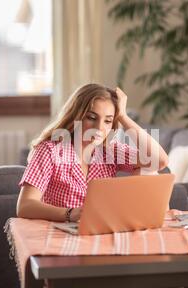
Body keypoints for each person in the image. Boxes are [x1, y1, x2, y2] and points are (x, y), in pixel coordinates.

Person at [17, 83, 169, 221]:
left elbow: (159, 161)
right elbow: (25, 206)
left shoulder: (109, 150)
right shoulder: (50, 150)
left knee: (148, 171)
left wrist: (123, 116)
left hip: (103, 231)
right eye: (91, 117)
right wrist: (70, 213)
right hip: (63, 231)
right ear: (76, 116)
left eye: (108, 121)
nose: (99, 127)